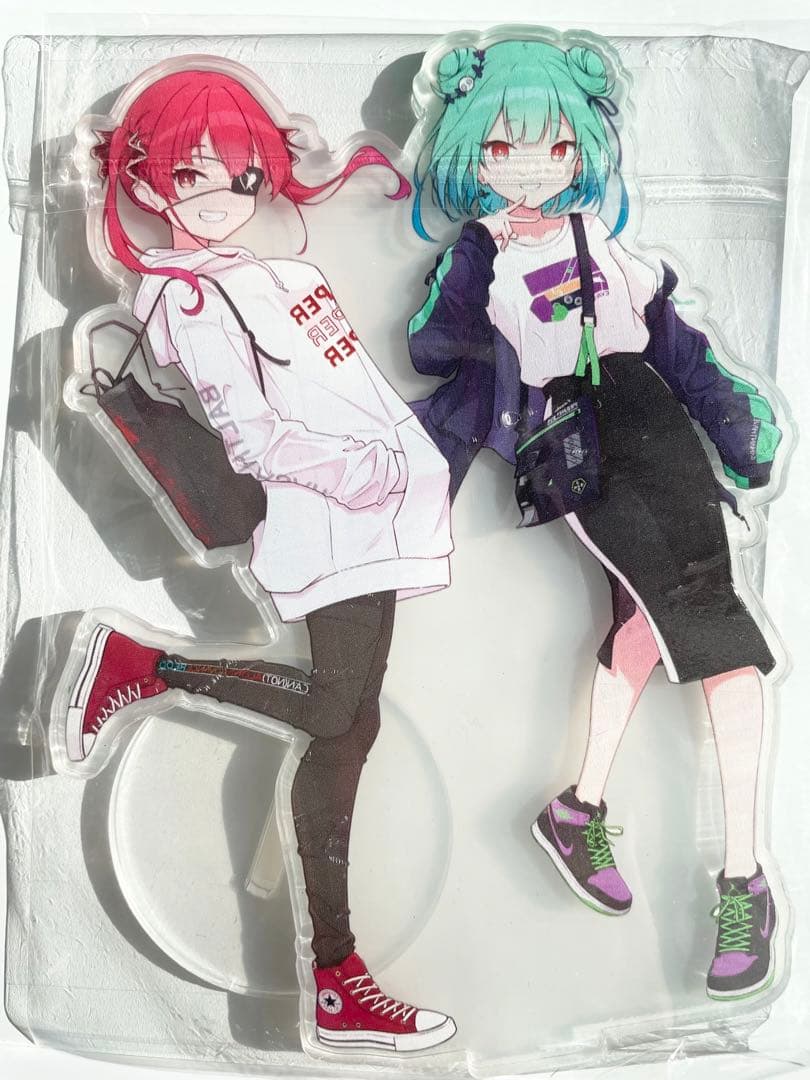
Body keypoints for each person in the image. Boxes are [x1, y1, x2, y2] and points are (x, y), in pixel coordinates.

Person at [57, 63, 456, 1053]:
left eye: (240, 174)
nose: (220, 196)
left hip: (380, 514)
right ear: (143, 182)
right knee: (333, 711)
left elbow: (349, 390)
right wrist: (368, 472)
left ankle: (338, 982)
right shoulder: (186, 298)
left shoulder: (280, 275)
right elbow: (255, 438)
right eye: (190, 174)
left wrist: (408, 467)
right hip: (328, 514)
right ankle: (145, 666)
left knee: (348, 729)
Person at [407, 36, 783, 1001]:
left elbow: (677, 347)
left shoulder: (602, 244)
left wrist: (738, 428)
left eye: (554, 146)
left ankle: (579, 808)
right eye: (503, 148)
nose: (531, 167)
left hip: (653, 422)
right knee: (716, 637)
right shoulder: (480, 253)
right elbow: (435, 346)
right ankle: (743, 878)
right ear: (470, 150)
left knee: (648, 630)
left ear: (582, 148)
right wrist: (478, 264)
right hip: (578, 443)